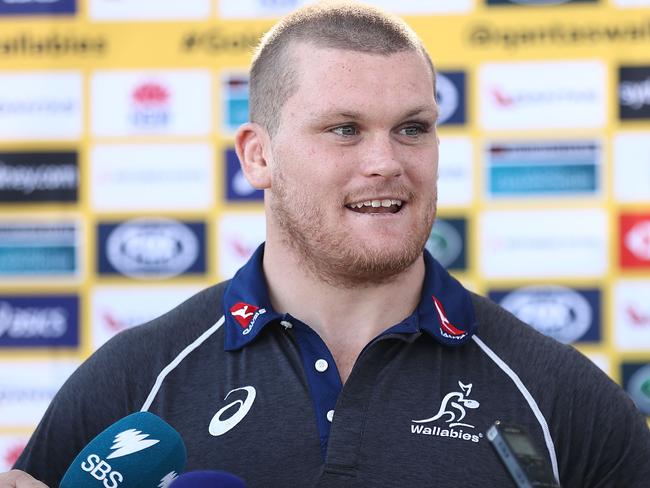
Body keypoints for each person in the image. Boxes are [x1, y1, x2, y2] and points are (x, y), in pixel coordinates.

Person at [3, 2, 650, 487]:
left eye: (412, 128)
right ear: (258, 156)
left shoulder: (558, 396)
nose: (386, 161)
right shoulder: (132, 383)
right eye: (344, 129)